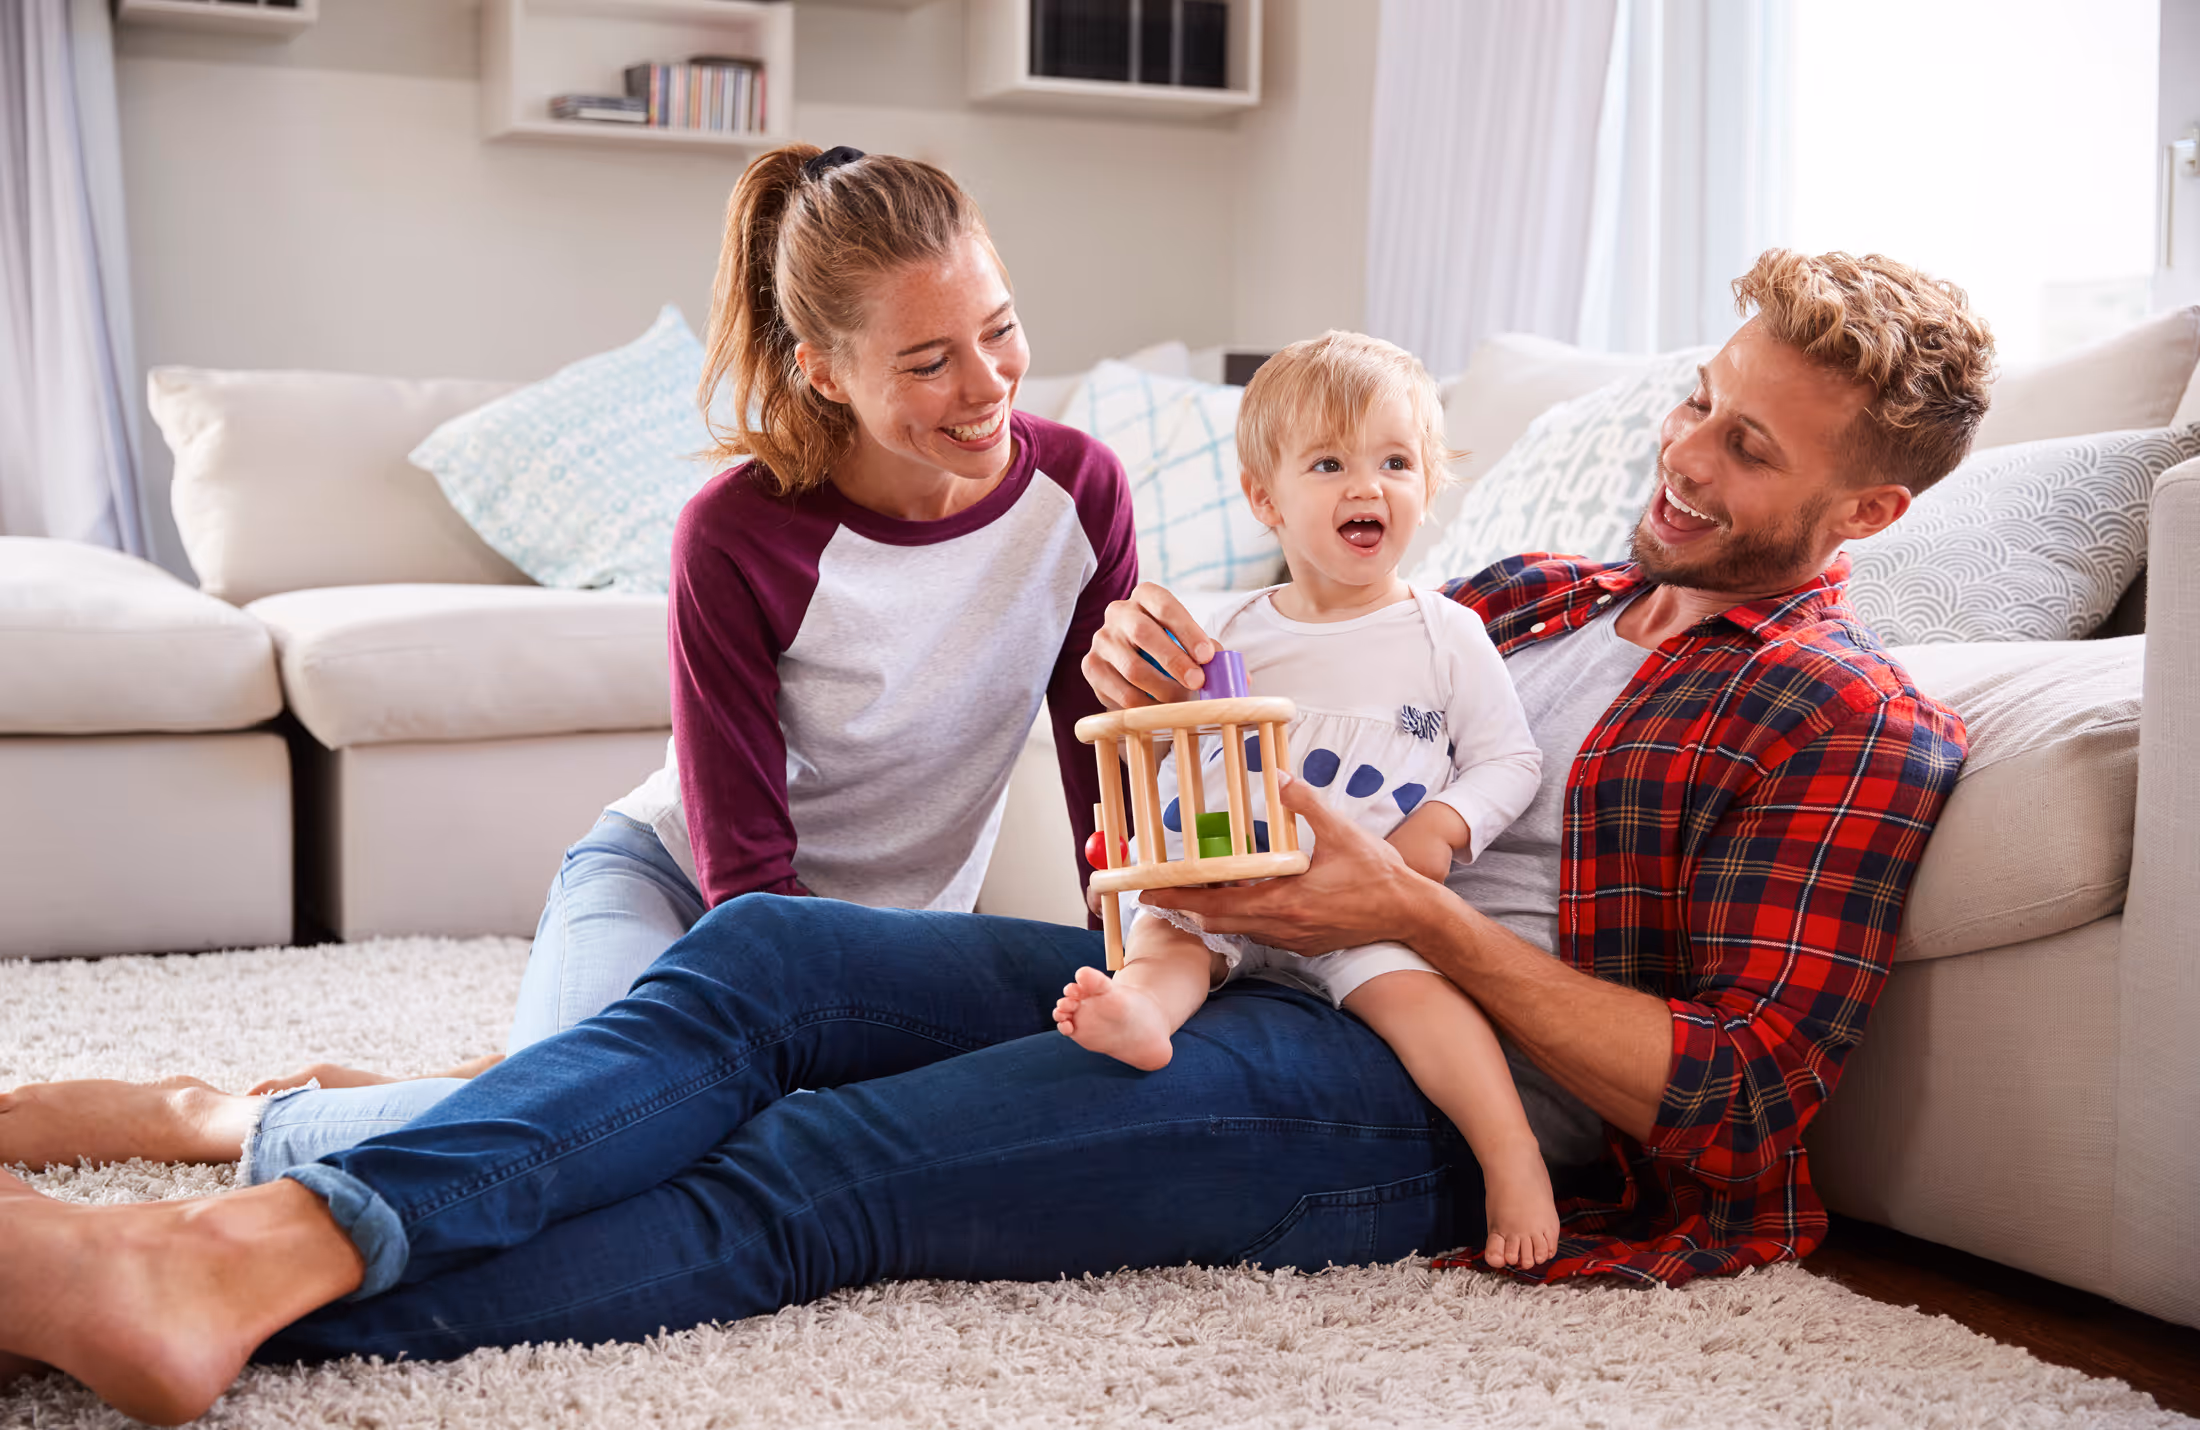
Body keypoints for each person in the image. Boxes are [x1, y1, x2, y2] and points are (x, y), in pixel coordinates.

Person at [0, 249, 1986, 1428]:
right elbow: (1331, 737)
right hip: (1253, 951)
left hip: (1409, 1095)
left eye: (1749, 447)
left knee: (818, 1169)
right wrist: (1165, 737)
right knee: (756, 959)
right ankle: (230, 1229)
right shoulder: (1541, 591)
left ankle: (212, 1268)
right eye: (1697, 406)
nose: (1685, 459)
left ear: (1865, 511)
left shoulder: (1843, 720)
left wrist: (1398, 910)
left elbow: (1731, 1108)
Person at [0, 142, 1136, 1178]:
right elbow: (747, 885)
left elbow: (1110, 782)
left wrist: (1143, 961)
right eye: (930, 360)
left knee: (686, 1117)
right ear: (825, 372)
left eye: (1000, 328)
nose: (989, 384)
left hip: (890, 940)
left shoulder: (1077, 493)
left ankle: (477, 1087)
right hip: (680, 890)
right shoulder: (739, 533)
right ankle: (210, 1117)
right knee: (616, 1129)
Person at [1051, 330, 1559, 1268]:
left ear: (1428, 487)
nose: (1367, 486)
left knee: (1428, 1005)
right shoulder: (1231, 635)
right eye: (1329, 463)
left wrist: (1439, 830)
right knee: (1168, 942)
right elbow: (1183, 759)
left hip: (1361, 898)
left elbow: (1508, 760)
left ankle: (1510, 1153)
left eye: (1395, 462)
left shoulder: (1444, 633)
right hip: (1238, 885)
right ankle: (1145, 1019)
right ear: (1264, 500)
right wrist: (1152, 863)